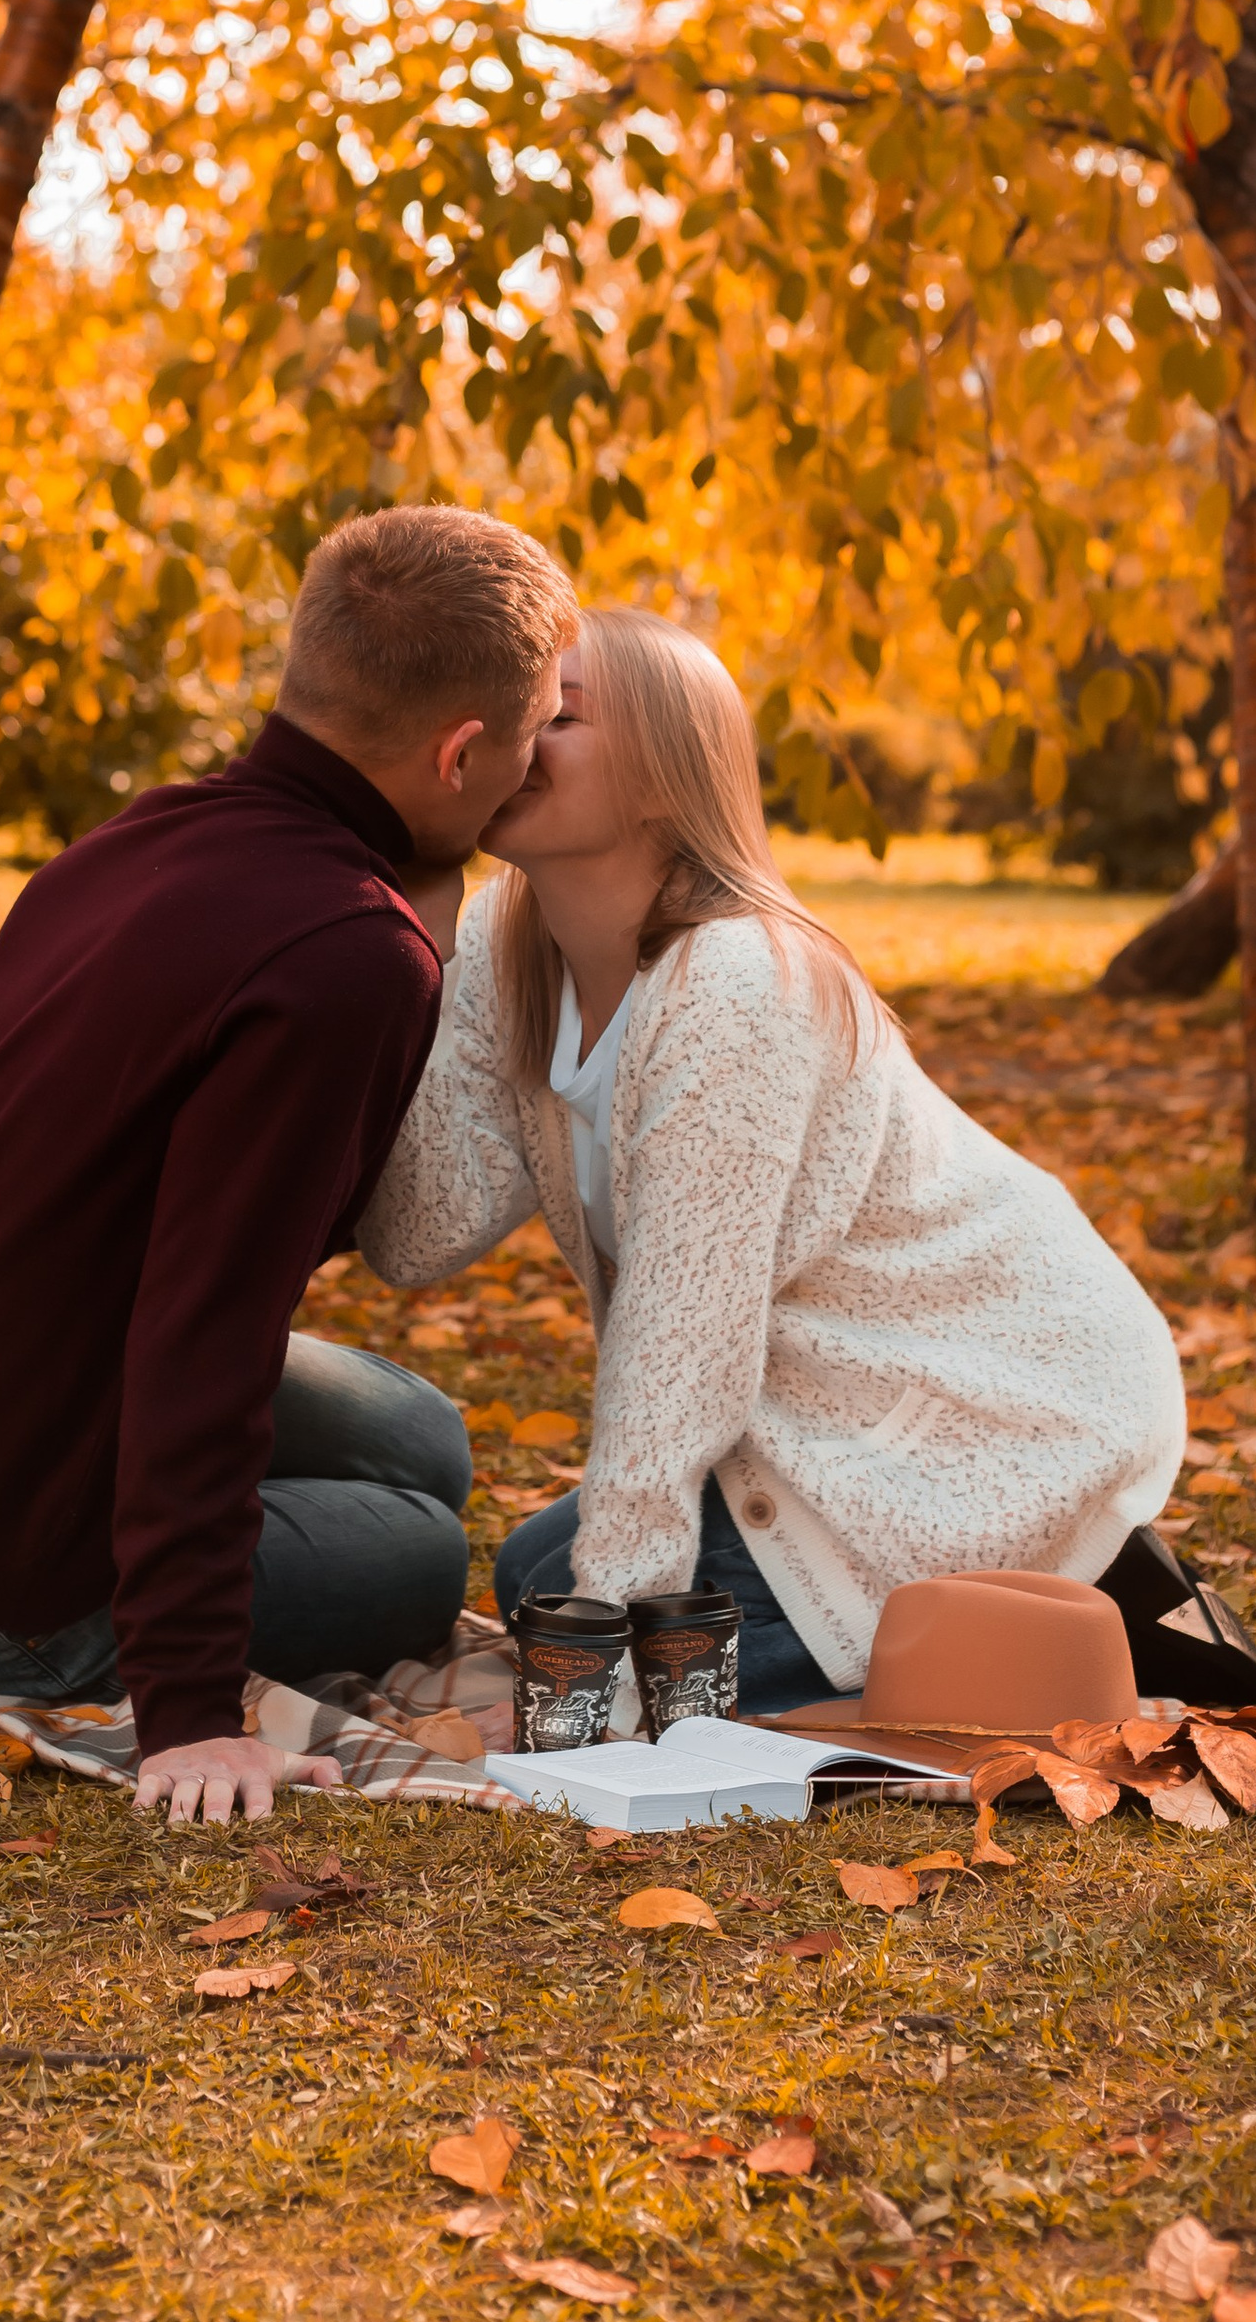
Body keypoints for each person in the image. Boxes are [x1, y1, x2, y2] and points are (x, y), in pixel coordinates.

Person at [0, 503, 577, 1823]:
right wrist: (188, 1711)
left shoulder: (150, 834)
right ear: (462, 751)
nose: (534, 770)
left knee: (421, 1436)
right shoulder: (347, 959)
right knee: (421, 1552)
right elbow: (206, 1333)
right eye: (533, 738)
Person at [361, 608, 1187, 1711]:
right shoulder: (509, 946)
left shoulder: (737, 984)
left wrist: (607, 1667)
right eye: (514, 712)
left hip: (989, 1406)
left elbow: (683, 1347)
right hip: (805, 1419)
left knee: (598, 1618)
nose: (519, 735)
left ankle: (1058, 1587)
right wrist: (415, 932)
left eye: (560, 716)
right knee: (533, 1574)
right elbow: (418, 1234)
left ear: (666, 775)